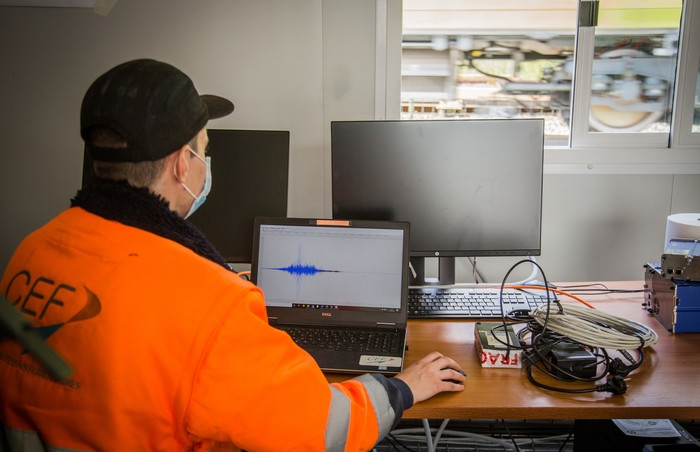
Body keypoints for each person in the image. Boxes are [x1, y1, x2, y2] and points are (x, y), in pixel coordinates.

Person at [0, 58, 466, 451]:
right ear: (183, 164)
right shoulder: (209, 300)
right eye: (206, 149)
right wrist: (402, 386)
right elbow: (322, 426)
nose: (205, 162)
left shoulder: (33, 251)